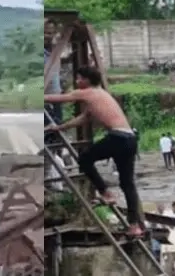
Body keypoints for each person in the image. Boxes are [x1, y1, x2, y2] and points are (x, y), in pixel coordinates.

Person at [45, 66, 144, 238]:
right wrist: (59, 127)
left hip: (118, 138)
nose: (76, 82)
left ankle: (105, 192)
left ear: (87, 80)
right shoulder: (101, 94)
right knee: (127, 184)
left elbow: (60, 99)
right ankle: (134, 226)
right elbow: (83, 119)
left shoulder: (88, 93)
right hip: (130, 139)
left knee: (84, 159)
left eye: (78, 78)